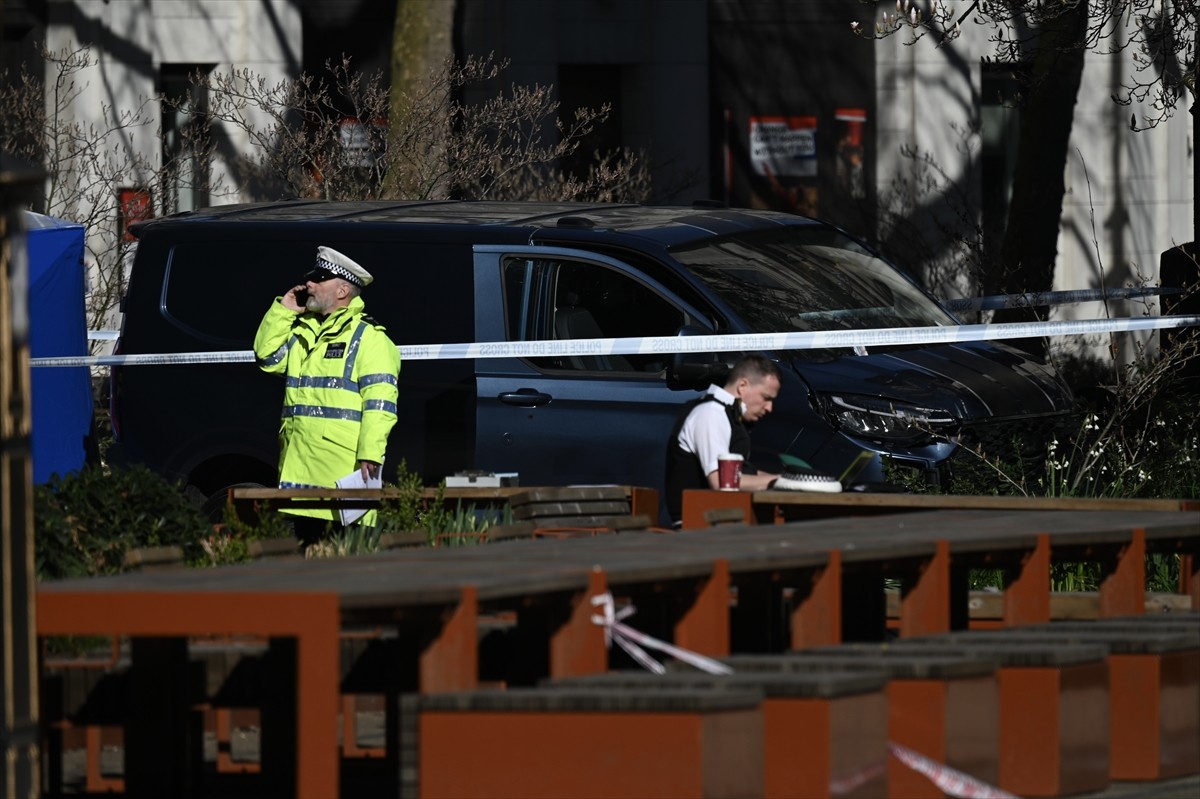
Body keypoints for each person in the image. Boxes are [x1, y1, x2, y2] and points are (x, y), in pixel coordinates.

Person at [253, 245, 401, 542]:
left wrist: (371, 453)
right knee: (306, 573)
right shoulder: (302, 331)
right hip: (300, 474)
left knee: (344, 571)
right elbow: (267, 358)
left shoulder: (370, 339)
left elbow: (380, 403)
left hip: (342, 478)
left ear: (342, 290)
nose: (309, 284)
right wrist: (283, 311)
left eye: (320, 278)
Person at [664, 354, 783, 526]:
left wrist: (787, 480)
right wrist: (779, 482)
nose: (770, 408)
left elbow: (742, 473)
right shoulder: (711, 413)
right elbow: (723, 482)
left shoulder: (726, 415)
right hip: (698, 529)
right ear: (743, 386)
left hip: (719, 524)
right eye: (766, 398)